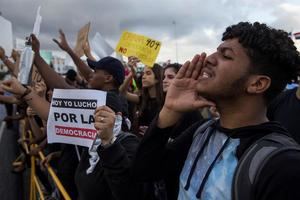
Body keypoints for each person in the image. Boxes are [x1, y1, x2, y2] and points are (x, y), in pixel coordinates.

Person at [133, 22, 300, 200]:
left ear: (257, 84)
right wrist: (170, 109)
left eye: (226, 56)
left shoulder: (283, 165)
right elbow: (144, 171)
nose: (209, 59)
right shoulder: (202, 132)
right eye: (216, 51)